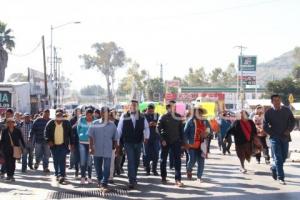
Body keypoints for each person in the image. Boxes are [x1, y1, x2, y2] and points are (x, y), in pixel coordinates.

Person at [117, 99, 150, 189]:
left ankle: (133, 176)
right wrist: (117, 142)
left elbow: (146, 128)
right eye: (132, 105)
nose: (134, 106)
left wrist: (146, 137)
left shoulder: (142, 116)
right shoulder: (124, 115)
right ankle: (131, 180)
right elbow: (119, 129)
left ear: (138, 106)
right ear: (129, 106)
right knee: (131, 160)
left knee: (136, 161)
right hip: (128, 142)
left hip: (138, 142)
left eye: (135, 105)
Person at [263, 94, 295, 185]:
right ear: (272, 102)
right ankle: (281, 177)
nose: (277, 102)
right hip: (274, 138)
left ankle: (273, 167)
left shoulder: (287, 110)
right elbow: (265, 126)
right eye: (275, 100)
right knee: (278, 157)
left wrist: (288, 130)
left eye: (278, 100)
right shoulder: (268, 112)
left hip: (285, 137)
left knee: (284, 157)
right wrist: (272, 133)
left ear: (280, 101)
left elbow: (292, 121)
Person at [89, 107, 118, 191]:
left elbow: (115, 138)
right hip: (97, 149)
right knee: (97, 167)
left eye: (106, 113)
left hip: (108, 150)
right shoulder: (94, 123)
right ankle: (99, 180)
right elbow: (90, 136)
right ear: (101, 113)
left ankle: (104, 183)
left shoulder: (112, 125)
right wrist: (90, 148)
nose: (104, 114)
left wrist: (117, 149)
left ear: (108, 114)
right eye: (103, 113)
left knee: (107, 167)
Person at [157, 100, 184, 187]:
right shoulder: (163, 117)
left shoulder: (178, 116)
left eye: (174, 106)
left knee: (178, 161)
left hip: (176, 141)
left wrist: (182, 143)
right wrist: (162, 140)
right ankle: (163, 176)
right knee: (163, 160)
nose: (173, 108)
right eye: (172, 106)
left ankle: (178, 179)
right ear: (168, 107)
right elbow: (158, 129)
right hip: (165, 141)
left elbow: (181, 131)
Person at [45, 109, 74, 184]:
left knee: (62, 160)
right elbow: (46, 132)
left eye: (60, 116)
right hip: (54, 145)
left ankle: (62, 175)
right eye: (57, 116)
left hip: (63, 145)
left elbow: (71, 134)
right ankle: (57, 173)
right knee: (56, 160)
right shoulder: (51, 123)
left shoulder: (66, 123)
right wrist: (48, 141)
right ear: (55, 117)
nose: (59, 118)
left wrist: (71, 143)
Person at [184, 107, 211, 182]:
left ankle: (199, 177)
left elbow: (209, 131)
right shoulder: (190, 121)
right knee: (192, 160)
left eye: (200, 112)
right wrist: (185, 143)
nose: (199, 114)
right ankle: (189, 170)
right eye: (197, 112)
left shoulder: (205, 122)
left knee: (201, 161)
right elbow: (185, 133)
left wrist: (206, 134)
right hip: (191, 144)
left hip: (202, 145)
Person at [77, 108, 95, 184]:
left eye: (90, 115)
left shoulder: (95, 121)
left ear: (92, 115)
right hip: (82, 143)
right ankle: (83, 177)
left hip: (91, 144)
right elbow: (78, 129)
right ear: (85, 114)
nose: (88, 117)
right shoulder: (81, 120)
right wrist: (81, 136)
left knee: (89, 161)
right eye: (87, 115)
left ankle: (90, 177)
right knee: (83, 161)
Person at [144, 104, 160, 176]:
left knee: (156, 154)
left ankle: (154, 170)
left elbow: (160, 124)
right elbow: (141, 125)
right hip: (146, 138)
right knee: (146, 154)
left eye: (152, 110)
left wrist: (155, 124)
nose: (151, 111)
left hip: (155, 137)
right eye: (149, 110)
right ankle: (147, 169)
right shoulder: (143, 116)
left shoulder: (157, 115)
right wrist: (148, 124)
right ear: (147, 109)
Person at [0, 108, 15, 178]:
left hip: (12, 145)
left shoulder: (15, 123)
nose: (7, 115)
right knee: (4, 158)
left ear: (12, 115)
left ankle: (9, 174)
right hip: (3, 144)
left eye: (8, 114)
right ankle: (3, 171)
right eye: (6, 114)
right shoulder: (2, 123)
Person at [69, 108, 81, 178]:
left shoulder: (84, 120)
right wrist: (70, 144)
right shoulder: (72, 120)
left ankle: (83, 173)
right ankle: (76, 169)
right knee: (75, 157)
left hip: (83, 143)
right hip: (75, 143)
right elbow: (70, 132)